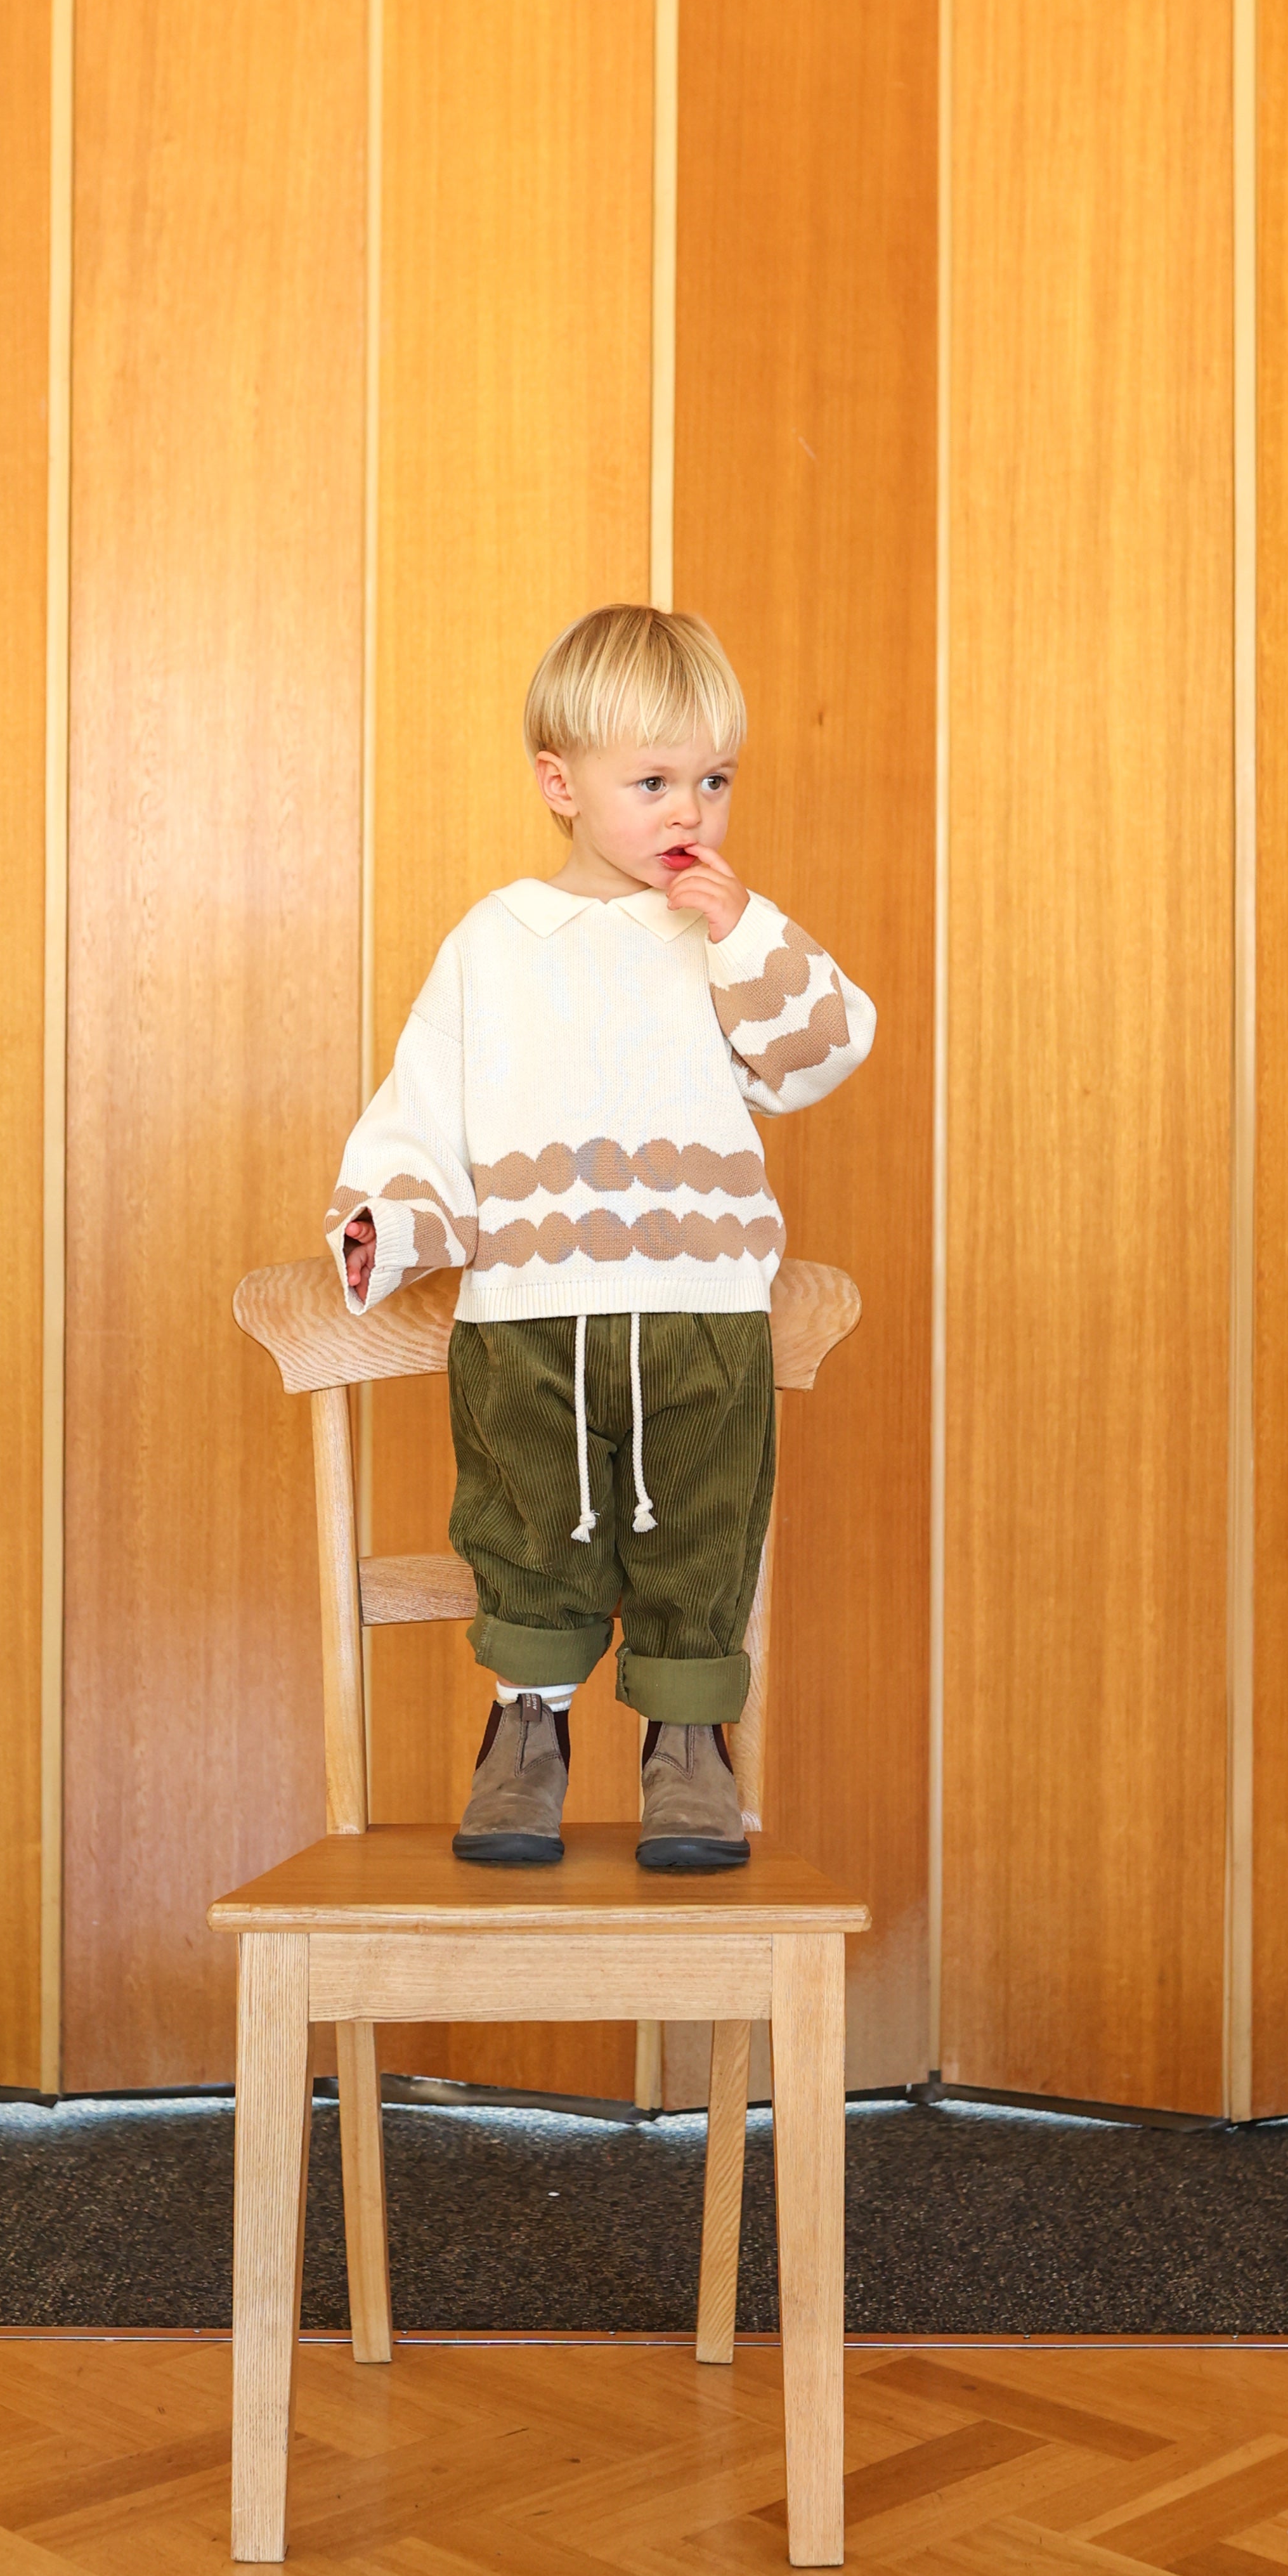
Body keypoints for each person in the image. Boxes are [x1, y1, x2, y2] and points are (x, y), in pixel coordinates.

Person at [326, 604, 875, 1870]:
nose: (690, 812)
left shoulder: (725, 937)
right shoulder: (495, 947)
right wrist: (385, 1225)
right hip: (531, 1312)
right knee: (527, 1524)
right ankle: (527, 1729)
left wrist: (747, 932)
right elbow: (425, 1107)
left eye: (714, 780)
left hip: (705, 1307)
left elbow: (821, 1052)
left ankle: (687, 1744)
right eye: (654, 782)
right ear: (560, 784)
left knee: (703, 1524)